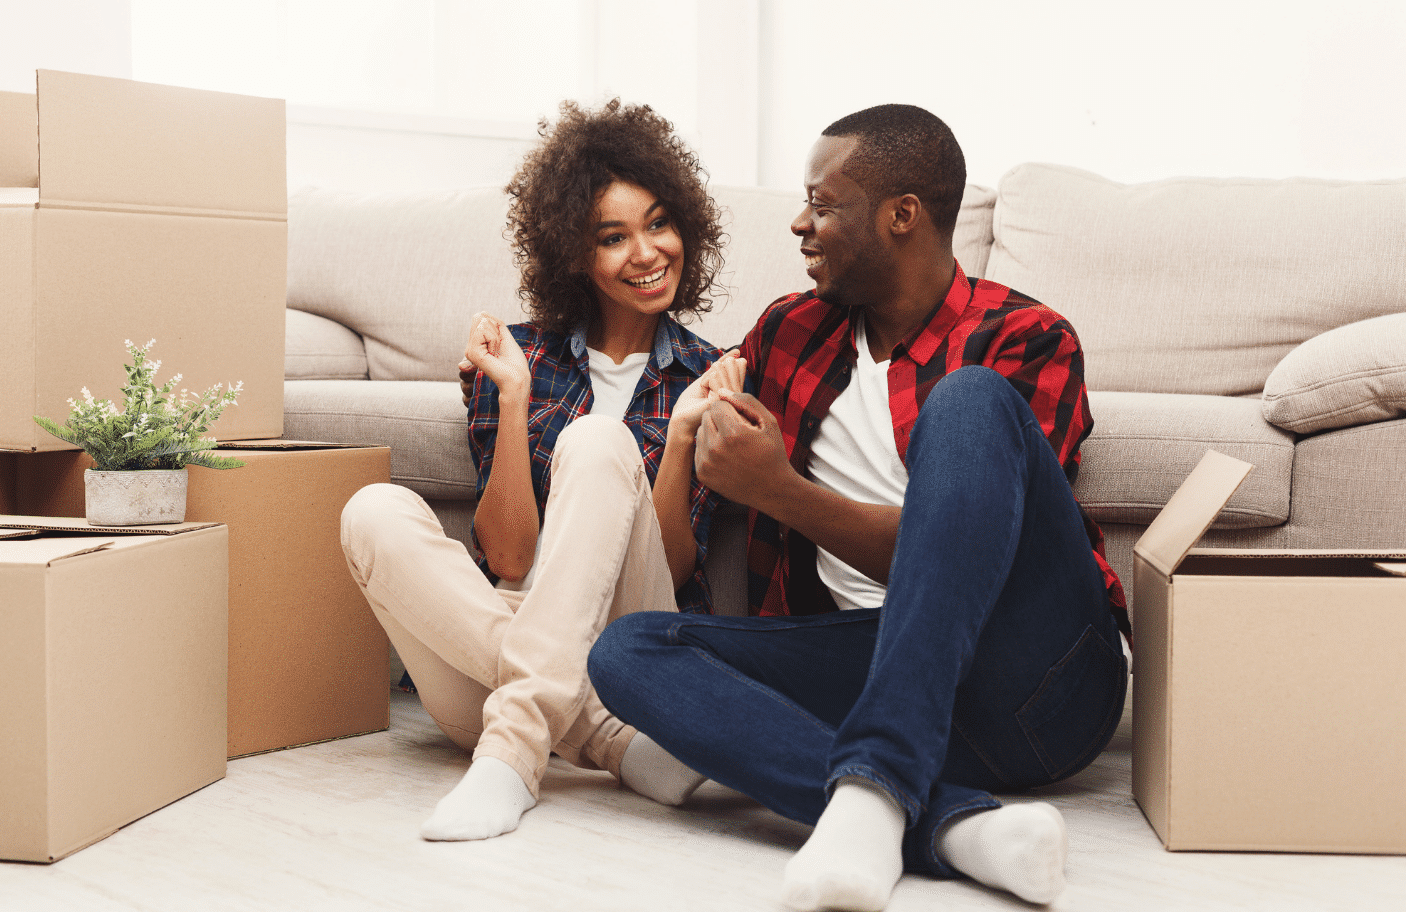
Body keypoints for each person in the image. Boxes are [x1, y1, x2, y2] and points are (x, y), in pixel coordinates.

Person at [587, 104, 1129, 910]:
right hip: (874, 669)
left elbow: (974, 556)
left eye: (824, 203)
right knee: (627, 653)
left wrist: (778, 492)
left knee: (969, 403)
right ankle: (951, 827)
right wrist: (685, 442)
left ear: (901, 216)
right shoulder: (789, 332)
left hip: (1036, 683)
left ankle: (876, 778)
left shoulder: (1026, 336)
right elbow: (688, 522)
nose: (801, 224)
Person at [340, 99, 746, 842]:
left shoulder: (707, 373)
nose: (647, 252)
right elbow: (511, 557)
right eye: (613, 237)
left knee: (596, 442)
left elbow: (675, 565)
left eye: (659, 224)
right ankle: (611, 742)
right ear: (573, 254)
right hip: (499, 658)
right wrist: (516, 396)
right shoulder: (517, 356)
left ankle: (515, 751)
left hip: (631, 654)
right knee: (369, 509)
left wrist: (684, 439)